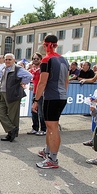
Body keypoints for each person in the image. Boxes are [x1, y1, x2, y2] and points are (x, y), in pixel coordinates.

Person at [33, 34, 69, 169]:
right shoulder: (64, 59)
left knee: (52, 128)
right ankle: (48, 151)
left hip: (52, 97)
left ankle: (53, 159)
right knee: (51, 126)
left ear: (44, 45)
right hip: (61, 97)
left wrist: (36, 100)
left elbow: (42, 82)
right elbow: (66, 81)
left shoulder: (47, 60)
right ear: (56, 45)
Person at [0, 53, 32, 142]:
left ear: (13, 60)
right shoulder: (5, 68)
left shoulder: (17, 69)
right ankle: (12, 129)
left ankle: (11, 134)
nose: (7, 61)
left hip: (13, 94)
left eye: (9, 59)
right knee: (0, 112)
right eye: (6, 59)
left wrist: (22, 82)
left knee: (13, 116)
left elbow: (29, 76)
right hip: (3, 93)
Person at [27, 52, 46, 136]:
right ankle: (35, 128)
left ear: (40, 59)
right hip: (34, 91)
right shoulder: (32, 69)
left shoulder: (42, 68)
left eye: (37, 59)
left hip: (41, 92)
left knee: (41, 112)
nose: (35, 60)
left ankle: (43, 129)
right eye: (34, 59)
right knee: (33, 110)